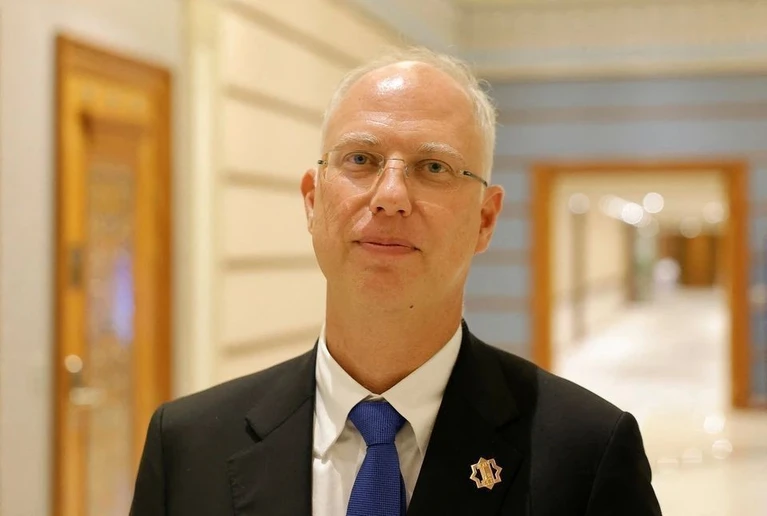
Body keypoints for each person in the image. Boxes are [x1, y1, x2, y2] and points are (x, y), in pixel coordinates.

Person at [130, 47, 663, 516]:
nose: (390, 196)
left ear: (485, 219)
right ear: (313, 201)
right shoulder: (187, 445)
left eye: (433, 168)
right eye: (361, 159)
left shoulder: (586, 454)